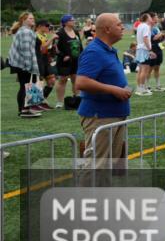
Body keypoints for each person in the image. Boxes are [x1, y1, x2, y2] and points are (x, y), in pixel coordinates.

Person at [76, 13, 132, 169]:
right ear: (107, 29)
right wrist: (113, 90)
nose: (122, 27)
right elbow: (82, 82)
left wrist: (122, 90)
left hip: (113, 114)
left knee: (108, 166)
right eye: (119, 24)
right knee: (97, 166)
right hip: (100, 116)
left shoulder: (108, 49)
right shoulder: (94, 51)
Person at [8, 12, 42, 117]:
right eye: (30, 18)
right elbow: (26, 50)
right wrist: (28, 66)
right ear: (24, 20)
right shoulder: (26, 32)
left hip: (19, 63)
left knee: (24, 86)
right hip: (23, 63)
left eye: (33, 18)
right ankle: (25, 110)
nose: (33, 20)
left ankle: (23, 109)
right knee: (25, 86)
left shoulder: (24, 30)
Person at [53, 14, 83, 108]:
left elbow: (80, 45)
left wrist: (82, 55)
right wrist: (63, 56)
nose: (74, 21)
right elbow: (55, 48)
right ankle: (60, 102)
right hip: (64, 61)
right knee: (63, 79)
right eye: (71, 20)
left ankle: (77, 99)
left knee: (75, 79)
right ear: (65, 22)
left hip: (76, 60)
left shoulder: (76, 32)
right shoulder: (60, 33)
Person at [34, 19, 56, 108]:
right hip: (39, 60)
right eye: (46, 26)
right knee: (39, 82)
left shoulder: (44, 35)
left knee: (52, 81)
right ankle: (36, 103)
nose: (48, 27)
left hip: (46, 60)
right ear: (40, 26)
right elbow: (41, 48)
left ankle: (42, 100)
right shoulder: (36, 35)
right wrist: (52, 38)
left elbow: (47, 48)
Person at [134, 12, 154, 95]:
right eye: (150, 17)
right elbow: (145, 38)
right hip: (144, 49)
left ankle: (139, 88)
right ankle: (142, 90)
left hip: (139, 49)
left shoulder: (140, 25)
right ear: (147, 18)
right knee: (144, 70)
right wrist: (150, 50)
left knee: (140, 70)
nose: (151, 18)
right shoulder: (145, 26)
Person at [148, 12, 165, 92]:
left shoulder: (156, 27)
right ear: (151, 18)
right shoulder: (148, 28)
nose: (157, 19)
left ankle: (158, 86)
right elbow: (153, 38)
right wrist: (161, 34)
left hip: (158, 48)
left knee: (157, 68)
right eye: (155, 17)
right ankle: (147, 86)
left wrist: (163, 36)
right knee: (150, 68)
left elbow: (160, 38)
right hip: (152, 49)